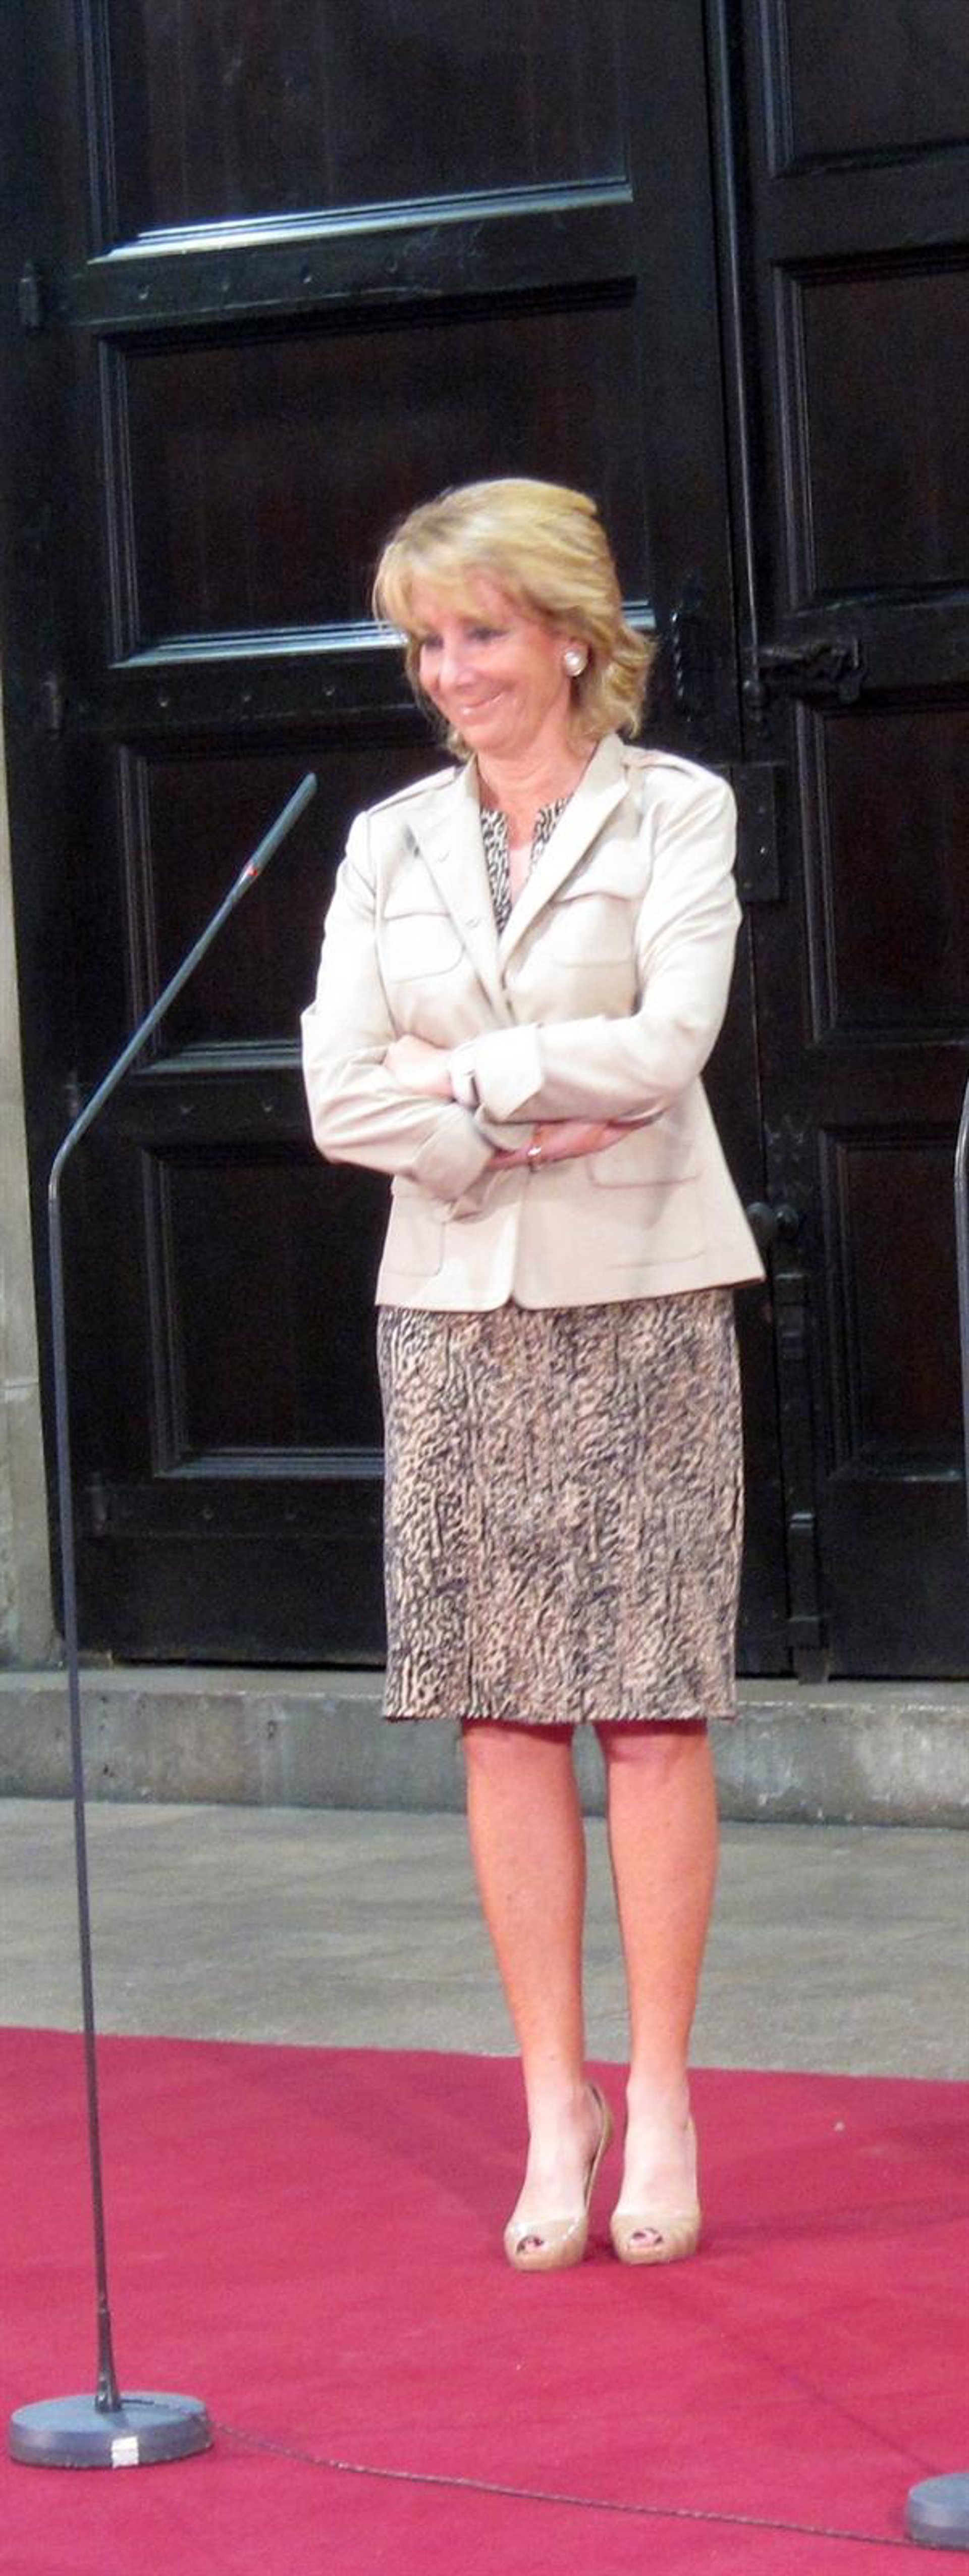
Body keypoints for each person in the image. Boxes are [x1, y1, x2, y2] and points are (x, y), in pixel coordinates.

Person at [301, 477, 762, 2273]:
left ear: (572, 636)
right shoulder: (388, 840)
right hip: (453, 1309)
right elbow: (337, 1091)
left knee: (648, 1705)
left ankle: (664, 2096)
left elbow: (667, 1044)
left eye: (481, 633)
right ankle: (551, 2104)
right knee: (500, 1712)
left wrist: (468, 1077)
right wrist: (499, 1124)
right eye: (427, 641)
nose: (450, 672)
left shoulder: (679, 809)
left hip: (642, 1295)